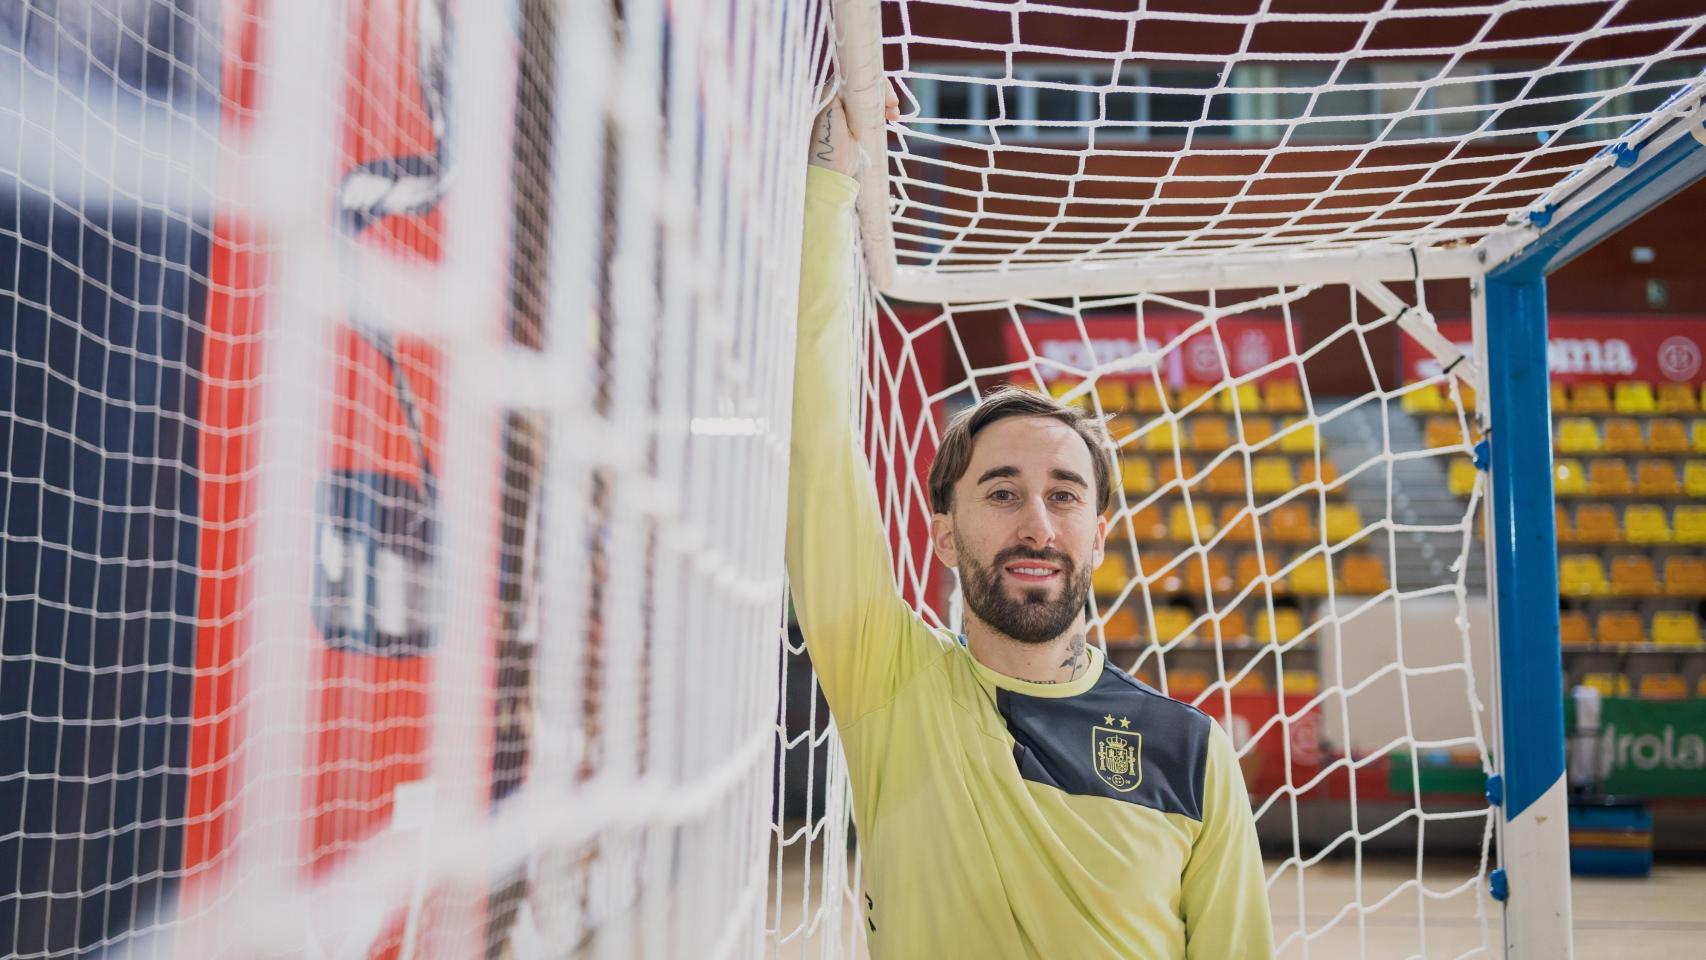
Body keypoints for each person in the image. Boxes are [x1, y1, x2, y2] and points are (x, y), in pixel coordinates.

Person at [787, 84, 1275, 959]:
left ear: (1098, 533)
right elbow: (817, 446)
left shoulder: (1190, 752)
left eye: (1065, 495)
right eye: (1002, 492)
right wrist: (830, 188)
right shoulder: (888, 682)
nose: (1036, 523)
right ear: (944, 532)